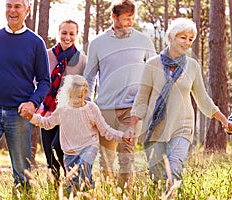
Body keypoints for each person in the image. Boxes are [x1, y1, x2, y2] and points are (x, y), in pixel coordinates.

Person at [127, 18, 232, 185]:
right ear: (171, 37)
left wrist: (224, 120)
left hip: (182, 127)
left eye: (190, 39)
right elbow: (141, 98)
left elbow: (203, 98)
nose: (187, 42)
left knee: (174, 175)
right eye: (183, 37)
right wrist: (131, 127)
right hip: (155, 128)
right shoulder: (152, 64)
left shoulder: (192, 66)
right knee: (156, 180)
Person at [83, 0, 156, 186]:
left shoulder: (143, 40)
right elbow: (89, 77)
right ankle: (109, 194)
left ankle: (125, 195)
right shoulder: (98, 43)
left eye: (132, 18)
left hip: (133, 109)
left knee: (126, 158)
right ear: (114, 17)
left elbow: (154, 72)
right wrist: (87, 104)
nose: (130, 23)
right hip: (105, 109)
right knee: (106, 160)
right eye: (126, 19)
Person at [0, 0, 50, 193]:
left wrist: (33, 102)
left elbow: (44, 81)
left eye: (18, 6)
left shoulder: (36, 43)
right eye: (9, 6)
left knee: (22, 169)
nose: (12, 10)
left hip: (20, 113)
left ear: (27, 10)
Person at [29, 75, 130, 193]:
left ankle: (89, 185)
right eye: (74, 96)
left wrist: (121, 136)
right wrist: (31, 117)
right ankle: (80, 192)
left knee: (85, 164)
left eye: (80, 96)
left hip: (89, 146)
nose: (77, 100)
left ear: (85, 93)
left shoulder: (91, 108)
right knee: (73, 184)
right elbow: (47, 123)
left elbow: (105, 130)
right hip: (70, 152)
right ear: (67, 95)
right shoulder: (63, 110)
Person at [38, 19, 87, 183]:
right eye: (64, 33)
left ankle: (72, 182)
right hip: (47, 112)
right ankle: (56, 190)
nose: (67, 37)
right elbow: (35, 80)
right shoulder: (46, 55)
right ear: (58, 33)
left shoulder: (82, 60)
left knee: (58, 147)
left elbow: (86, 87)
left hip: (69, 115)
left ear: (76, 35)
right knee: (49, 157)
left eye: (71, 33)